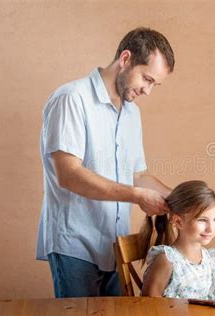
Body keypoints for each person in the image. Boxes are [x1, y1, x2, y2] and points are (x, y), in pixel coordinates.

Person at [35, 27, 175, 298]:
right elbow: (69, 175)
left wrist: (176, 199)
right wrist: (137, 197)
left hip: (113, 248)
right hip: (74, 245)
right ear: (125, 59)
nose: (147, 91)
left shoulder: (132, 114)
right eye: (146, 79)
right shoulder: (72, 99)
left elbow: (137, 175)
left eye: (154, 85)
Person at [141, 180, 215, 299]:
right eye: (202, 220)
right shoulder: (167, 261)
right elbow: (150, 306)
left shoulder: (213, 261)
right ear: (178, 222)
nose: (211, 228)